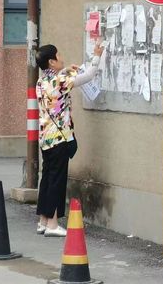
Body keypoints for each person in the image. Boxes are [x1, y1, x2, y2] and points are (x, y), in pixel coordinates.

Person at [34, 42, 103, 237]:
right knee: (56, 181)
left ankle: (43, 221)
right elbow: (89, 76)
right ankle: (53, 224)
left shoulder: (41, 82)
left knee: (47, 179)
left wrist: (66, 70)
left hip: (46, 139)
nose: (61, 57)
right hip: (60, 139)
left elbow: (57, 80)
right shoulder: (60, 80)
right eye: (58, 55)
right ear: (52, 61)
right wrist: (97, 56)